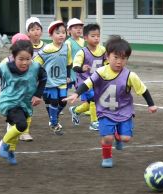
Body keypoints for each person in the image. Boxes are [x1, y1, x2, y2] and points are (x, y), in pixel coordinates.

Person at [64, 35, 157, 168]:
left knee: (126, 139)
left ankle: (118, 136)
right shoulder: (101, 72)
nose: (119, 61)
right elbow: (88, 83)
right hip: (105, 111)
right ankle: (107, 157)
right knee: (108, 138)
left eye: (123, 58)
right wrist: (76, 93)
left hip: (124, 111)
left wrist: (151, 104)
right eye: (116, 57)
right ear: (107, 57)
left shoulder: (130, 75)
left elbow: (143, 90)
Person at [34, 20, 72, 135]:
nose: (61, 35)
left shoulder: (67, 47)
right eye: (57, 33)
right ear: (51, 35)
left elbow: (69, 63)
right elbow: (37, 62)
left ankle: (53, 116)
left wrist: (68, 76)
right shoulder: (47, 49)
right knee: (54, 101)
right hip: (50, 81)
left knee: (63, 102)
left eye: (63, 32)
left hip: (62, 80)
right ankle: (54, 123)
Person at [69, 23, 107, 131]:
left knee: (90, 103)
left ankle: (75, 110)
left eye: (98, 36)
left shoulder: (103, 50)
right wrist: (82, 68)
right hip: (83, 81)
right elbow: (75, 66)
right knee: (94, 99)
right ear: (85, 37)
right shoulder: (82, 53)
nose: (96, 38)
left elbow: (108, 62)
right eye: (93, 36)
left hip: (96, 81)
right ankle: (94, 122)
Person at [65, 18, 84, 89]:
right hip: (70, 71)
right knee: (64, 92)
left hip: (80, 70)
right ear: (69, 30)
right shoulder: (68, 42)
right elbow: (67, 59)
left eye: (80, 28)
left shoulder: (83, 41)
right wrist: (67, 75)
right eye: (75, 28)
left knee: (83, 91)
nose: (78, 29)